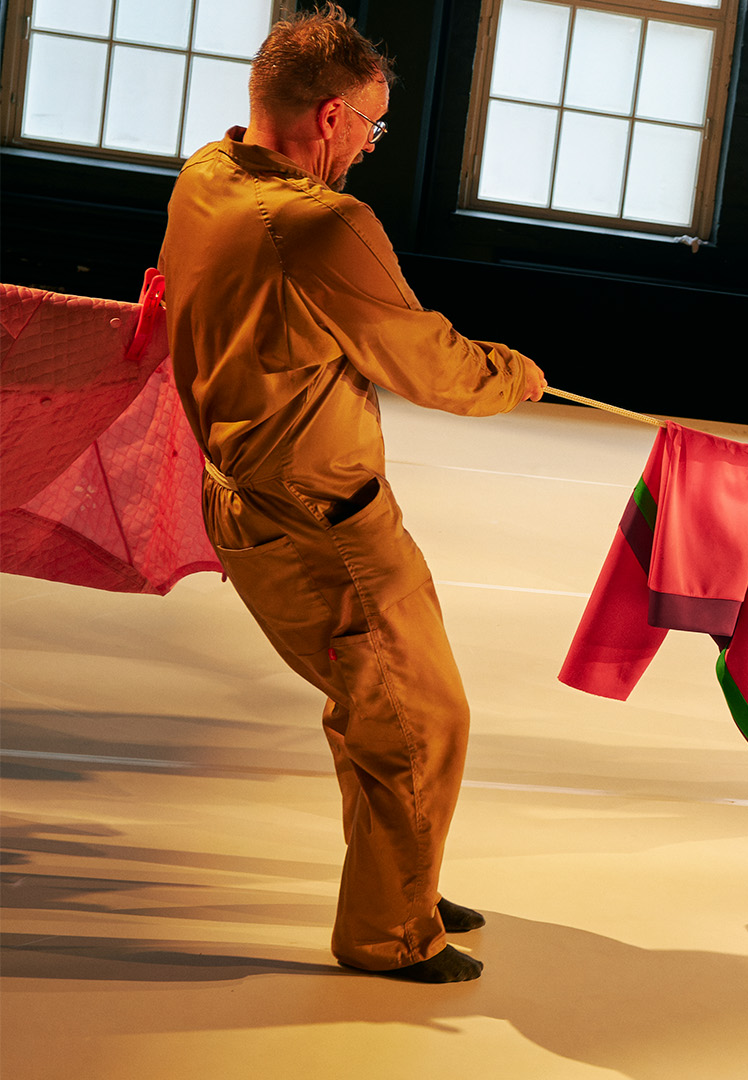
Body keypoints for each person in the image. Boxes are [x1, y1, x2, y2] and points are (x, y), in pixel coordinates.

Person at [158, 5, 546, 981]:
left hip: (248, 501)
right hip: (322, 518)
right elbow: (427, 362)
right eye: (371, 125)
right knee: (422, 716)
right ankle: (388, 932)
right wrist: (515, 374)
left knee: (372, 703)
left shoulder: (205, 177)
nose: (373, 145)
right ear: (330, 116)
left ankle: (398, 879)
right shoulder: (323, 224)